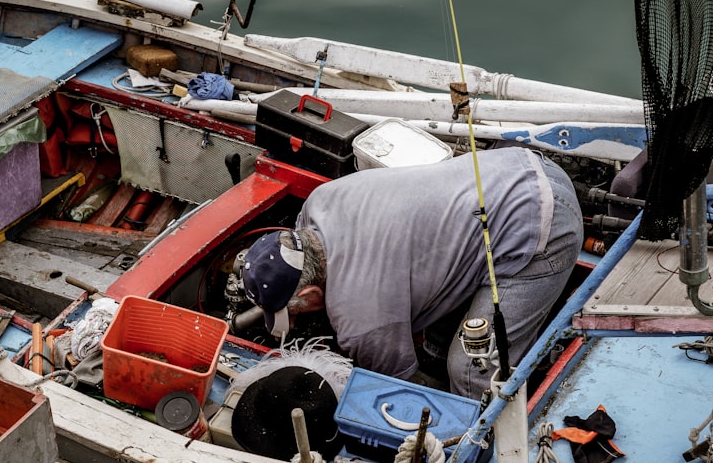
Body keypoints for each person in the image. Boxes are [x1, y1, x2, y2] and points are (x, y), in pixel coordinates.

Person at [241, 146, 582, 399]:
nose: (297, 322)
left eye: (294, 313)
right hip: (518, 163)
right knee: (436, 325)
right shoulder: (318, 203)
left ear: (309, 295)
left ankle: (487, 444)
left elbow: (399, 389)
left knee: (470, 370)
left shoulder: (363, 318)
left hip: (542, 225)